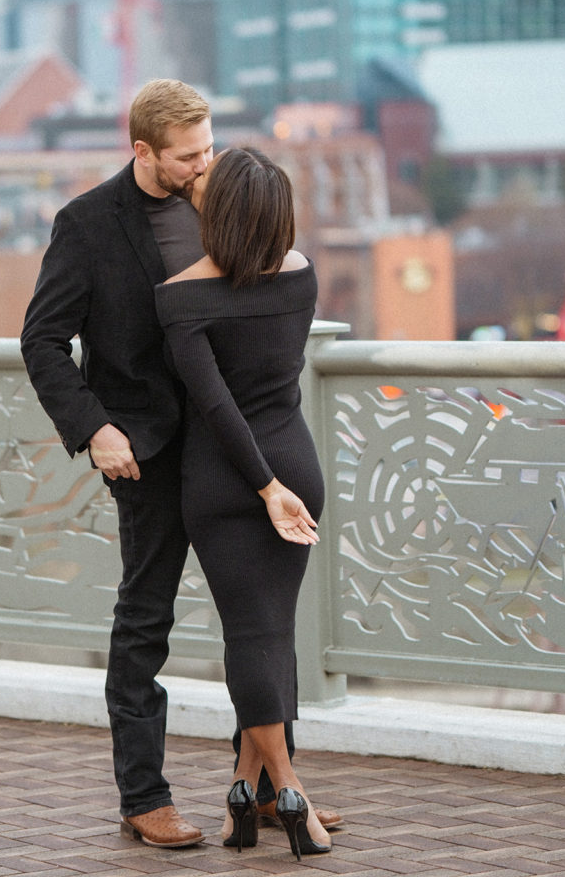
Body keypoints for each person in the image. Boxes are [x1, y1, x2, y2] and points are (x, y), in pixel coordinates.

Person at [20, 79, 339, 850]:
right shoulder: (89, 223)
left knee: (262, 621)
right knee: (145, 620)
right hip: (151, 453)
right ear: (142, 151)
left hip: (241, 448)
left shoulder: (222, 202)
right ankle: (144, 796)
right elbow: (41, 341)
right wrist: (94, 427)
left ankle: (267, 786)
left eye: (207, 150)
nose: (203, 167)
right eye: (187, 156)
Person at [155, 146, 333, 860]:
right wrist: (280, 485)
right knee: (272, 633)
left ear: (219, 209)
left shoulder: (179, 295)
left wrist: (262, 489)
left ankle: (284, 790)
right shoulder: (300, 277)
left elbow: (216, 407)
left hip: (227, 483)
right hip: (295, 464)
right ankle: (249, 787)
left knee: (249, 634)